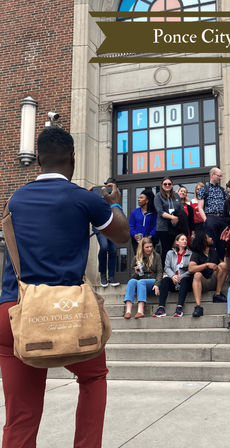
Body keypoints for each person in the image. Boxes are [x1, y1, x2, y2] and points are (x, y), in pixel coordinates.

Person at [0, 127, 129, 447]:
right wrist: (114, 204)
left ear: (39, 161)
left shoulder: (15, 199)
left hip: (15, 311)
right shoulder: (83, 198)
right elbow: (122, 236)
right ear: (73, 158)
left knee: (21, 416)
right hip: (69, 312)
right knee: (93, 377)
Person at [153, 233, 193, 318]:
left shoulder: (190, 254)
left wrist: (181, 276)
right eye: (182, 239)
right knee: (165, 280)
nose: (185, 241)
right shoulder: (170, 253)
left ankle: (179, 308)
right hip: (173, 280)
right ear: (177, 242)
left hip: (184, 281)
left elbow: (191, 269)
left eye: (186, 240)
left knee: (185, 280)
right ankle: (161, 308)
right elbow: (167, 267)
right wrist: (172, 276)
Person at [188, 231, 228, 317]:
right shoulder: (196, 253)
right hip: (203, 283)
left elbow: (223, 267)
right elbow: (191, 269)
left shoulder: (213, 251)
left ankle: (217, 294)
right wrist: (206, 265)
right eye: (208, 237)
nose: (211, 238)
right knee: (197, 274)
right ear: (203, 241)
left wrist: (217, 268)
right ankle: (198, 307)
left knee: (223, 265)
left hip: (214, 280)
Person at [123, 237, 162, 318]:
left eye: (151, 246)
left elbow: (160, 272)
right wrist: (136, 271)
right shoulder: (136, 258)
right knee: (131, 282)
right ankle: (128, 311)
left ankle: (140, 311)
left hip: (152, 282)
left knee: (141, 282)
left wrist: (157, 284)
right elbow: (132, 276)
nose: (149, 249)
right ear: (142, 248)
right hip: (141, 283)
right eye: (147, 247)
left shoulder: (156, 256)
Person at [197, 167, 228, 261]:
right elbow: (200, 207)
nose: (220, 178)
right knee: (211, 244)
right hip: (210, 218)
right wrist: (206, 220)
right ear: (212, 175)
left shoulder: (223, 190)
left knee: (222, 245)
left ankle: (221, 267)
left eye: (221, 176)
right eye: (219, 175)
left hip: (222, 219)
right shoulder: (204, 189)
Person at [154, 177, 184, 265]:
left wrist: (177, 218)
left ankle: (175, 270)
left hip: (175, 227)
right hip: (163, 227)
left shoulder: (176, 195)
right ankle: (164, 271)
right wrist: (172, 217)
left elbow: (181, 209)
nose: (167, 185)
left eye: (169, 184)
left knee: (175, 249)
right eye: (165, 184)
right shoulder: (158, 196)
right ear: (162, 185)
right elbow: (160, 212)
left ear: (172, 185)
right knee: (166, 250)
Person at [129, 188, 157, 255]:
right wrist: (134, 235)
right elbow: (131, 226)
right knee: (139, 260)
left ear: (147, 200)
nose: (138, 199)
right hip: (137, 241)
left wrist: (150, 236)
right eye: (138, 198)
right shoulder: (134, 212)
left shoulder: (154, 213)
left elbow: (156, 226)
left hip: (150, 241)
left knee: (149, 260)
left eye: (141, 198)